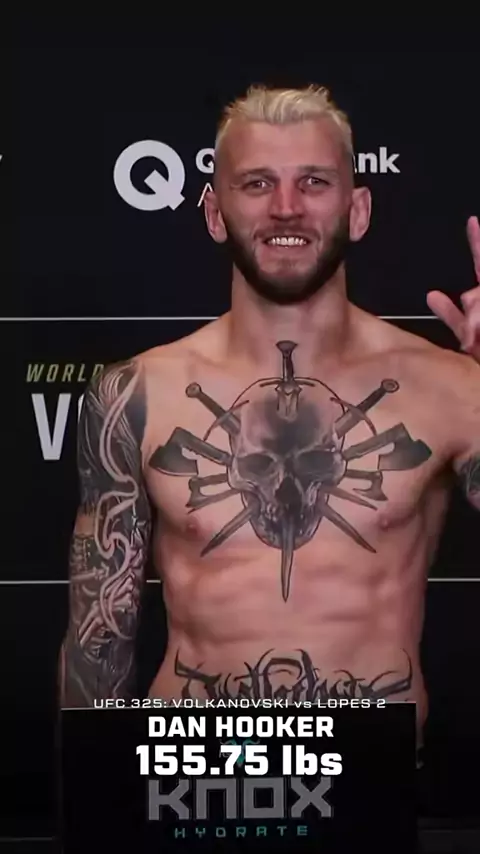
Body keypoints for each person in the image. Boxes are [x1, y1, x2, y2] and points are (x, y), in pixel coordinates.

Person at [59, 85, 480, 754]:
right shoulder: (136, 393)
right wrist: (92, 797)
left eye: (314, 182)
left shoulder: (451, 387)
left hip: (372, 776)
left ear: (358, 209)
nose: (286, 207)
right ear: (214, 212)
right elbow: (99, 637)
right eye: (257, 183)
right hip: (187, 775)